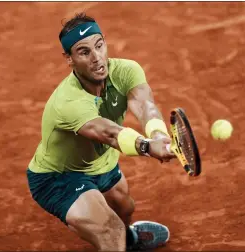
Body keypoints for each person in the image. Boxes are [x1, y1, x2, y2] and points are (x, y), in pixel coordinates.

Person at [26, 12, 176, 251]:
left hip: (100, 161)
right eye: (85, 52)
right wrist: (147, 147)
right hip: (59, 176)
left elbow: (144, 105)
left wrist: (158, 134)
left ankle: (128, 240)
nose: (97, 58)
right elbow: (110, 134)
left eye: (99, 45)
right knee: (110, 229)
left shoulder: (126, 71)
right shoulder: (67, 101)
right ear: (69, 59)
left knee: (124, 208)